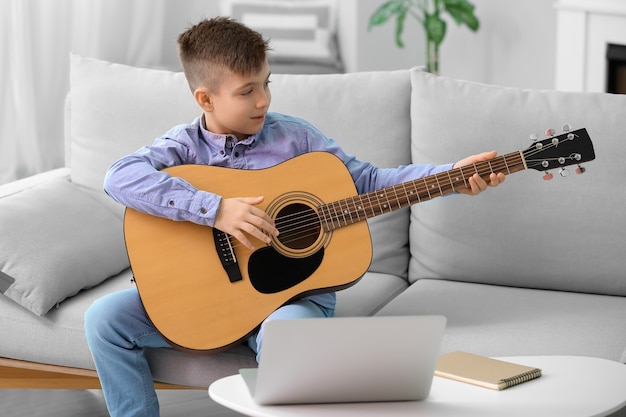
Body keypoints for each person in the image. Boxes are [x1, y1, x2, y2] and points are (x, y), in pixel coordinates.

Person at [84, 16, 505, 417]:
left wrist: (451, 176)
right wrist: (215, 210)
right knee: (104, 319)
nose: (263, 100)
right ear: (205, 99)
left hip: (294, 297)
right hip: (206, 296)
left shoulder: (296, 137)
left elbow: (371, 181)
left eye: (266, 84)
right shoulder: (184, 146)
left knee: (286, 340)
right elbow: (120, 177)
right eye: (247, 91)